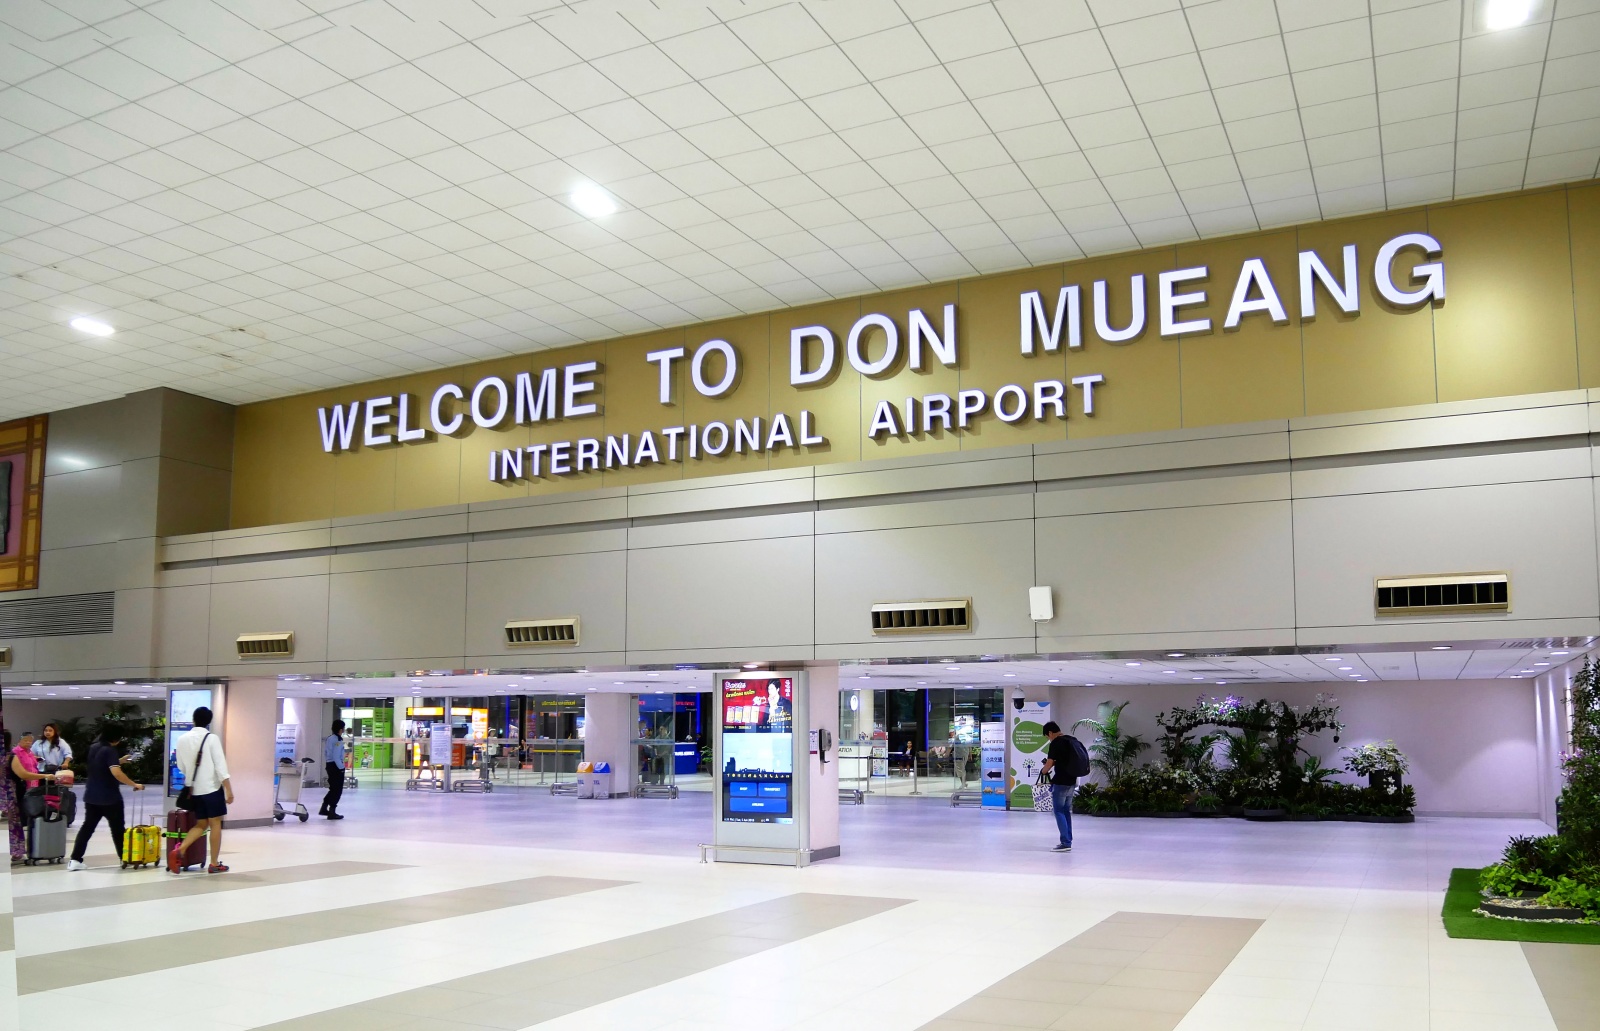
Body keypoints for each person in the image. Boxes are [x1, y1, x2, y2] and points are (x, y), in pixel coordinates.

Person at [68, 729, 143, 871]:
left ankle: (75, 859)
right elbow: (116, 773)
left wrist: (119, 761)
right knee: (117, 829)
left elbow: (100, 765)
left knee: (87, 828)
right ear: (116, 739)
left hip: (91, 796)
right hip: (110, 797)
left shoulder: (93, 747)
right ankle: (124, 858)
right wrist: (134, 784)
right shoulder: (110, 750)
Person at [170, 706, 233, 874]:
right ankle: (214, 863)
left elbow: (181, 766)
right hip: (212, 788)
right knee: (215, 823)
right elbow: (220, 766)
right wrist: (229, 789)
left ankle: (180, 849)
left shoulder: (182, 739)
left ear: (193, 720)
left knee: (201, 823)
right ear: (209, 722)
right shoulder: (212, 739)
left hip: (195, 790)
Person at [9, 730, 62, 864]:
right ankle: (16, 852)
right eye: (25, 740)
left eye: (30, 741)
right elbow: (23, 774)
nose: (28, 743)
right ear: (19, 741)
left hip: (30, 787)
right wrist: (44, 776)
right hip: (18, 788)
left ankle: (18, 852)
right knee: (15, 820)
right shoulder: (14, 754)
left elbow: (32, 767)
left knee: (18, 819)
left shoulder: (29, 753)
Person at [1040, 722, 1078, 854]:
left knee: (1058, 811)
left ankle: (1065, 842)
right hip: (1072, 781)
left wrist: (1043, 771)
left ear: (1050, 733)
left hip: (1061, 782)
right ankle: (1068, 840)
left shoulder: (1055, 743)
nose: (1048, 739)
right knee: (1066, 811)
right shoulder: (1071, 740)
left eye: (1047, 737)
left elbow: (1049, 764)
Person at [320, 720, 346, 820]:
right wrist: (341, 768)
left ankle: (324, 808)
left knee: (333, 789)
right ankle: (332, 811)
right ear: (341, 729)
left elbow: (326, 753)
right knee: (337, 790)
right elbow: (336, 756)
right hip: (336, 767)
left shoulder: (330, 738)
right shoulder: (337, 740)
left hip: (329, 765)